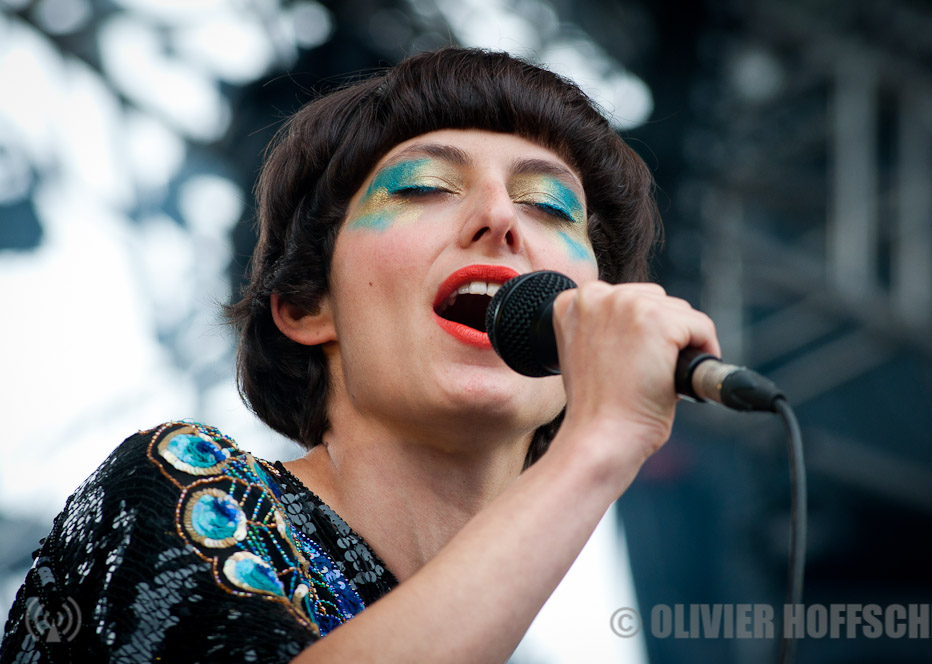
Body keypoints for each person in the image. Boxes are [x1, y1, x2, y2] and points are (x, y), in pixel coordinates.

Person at [0, 47, 720, 662]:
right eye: (426, 186)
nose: (501, 217)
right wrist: (599, 445)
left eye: (552, 207)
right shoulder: (179, 486)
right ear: (309, 307)